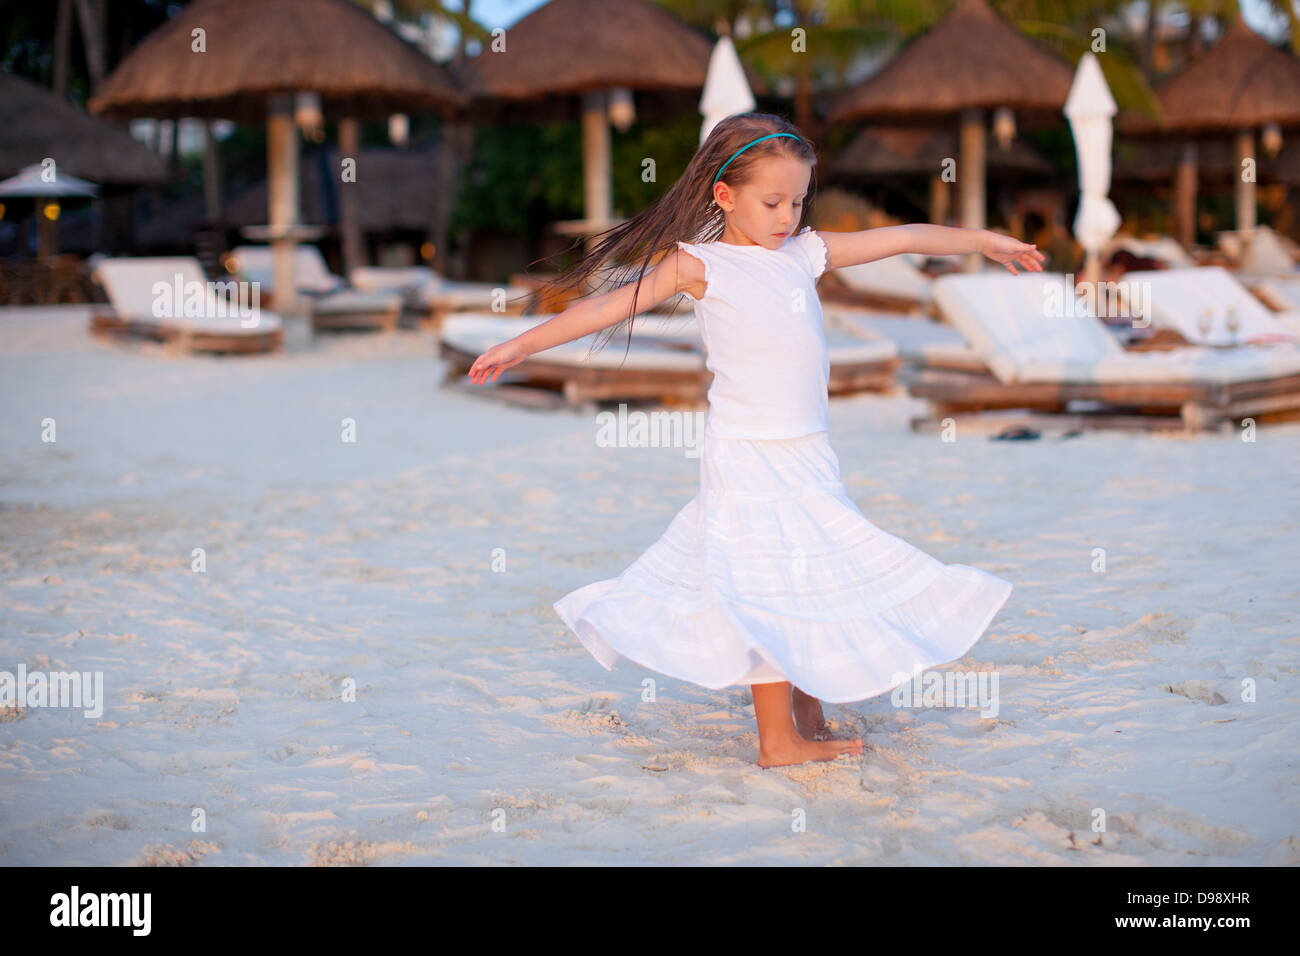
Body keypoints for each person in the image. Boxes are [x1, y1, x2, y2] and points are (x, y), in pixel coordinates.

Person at [467, 113, 1042, 768]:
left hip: (808, 450)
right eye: (773, 202)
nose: (787, 216)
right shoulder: (700, 265)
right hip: (746, 450)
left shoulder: (802, 254)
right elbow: (605, 307)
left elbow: (900, 238)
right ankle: (778, 741)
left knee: (807, 573)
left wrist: (983, 240)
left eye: (797, 201)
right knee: (767, 578)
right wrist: (520, 343)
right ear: (724, 196)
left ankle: (805, 712)